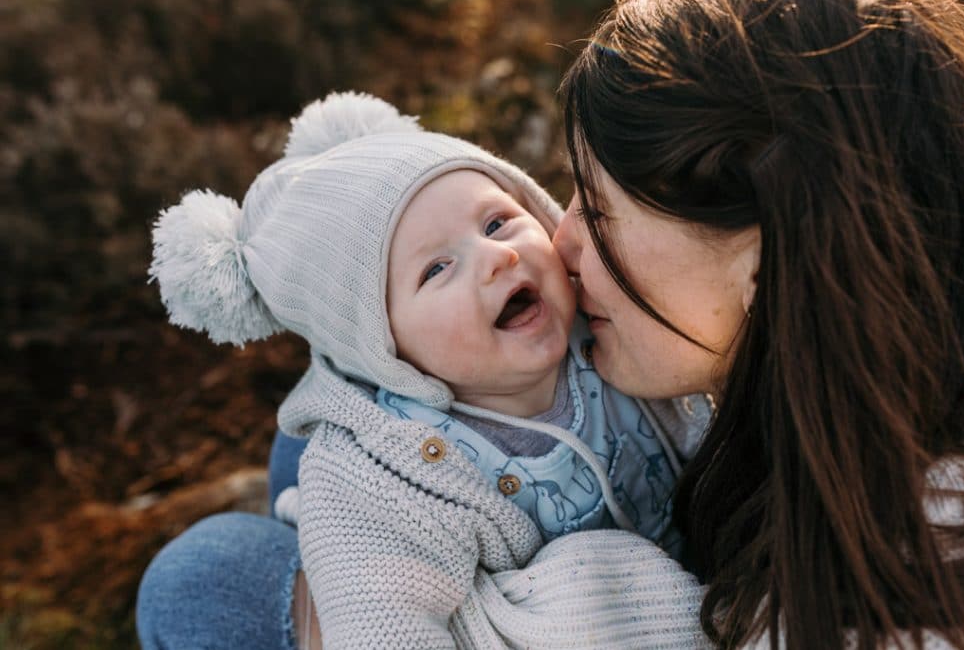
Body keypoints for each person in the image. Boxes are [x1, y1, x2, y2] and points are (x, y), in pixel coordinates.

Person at [137, 0, 964, 648]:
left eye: (597, 211)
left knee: (201, 576)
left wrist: (565, 587)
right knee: (308, 452)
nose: (557, 243)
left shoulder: (884, 598)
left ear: (771, 260)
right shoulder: (893, 359)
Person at [142, 90, 712, 649]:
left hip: (667, 583)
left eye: (496, 224)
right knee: (304, 482)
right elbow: (384, 628)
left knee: (278, 471)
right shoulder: (380, 474)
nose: (496, 257)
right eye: (437, 269)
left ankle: (290, 515)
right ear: (383, 348)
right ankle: (308, 531)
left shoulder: (610, 327)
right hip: (441, 563)